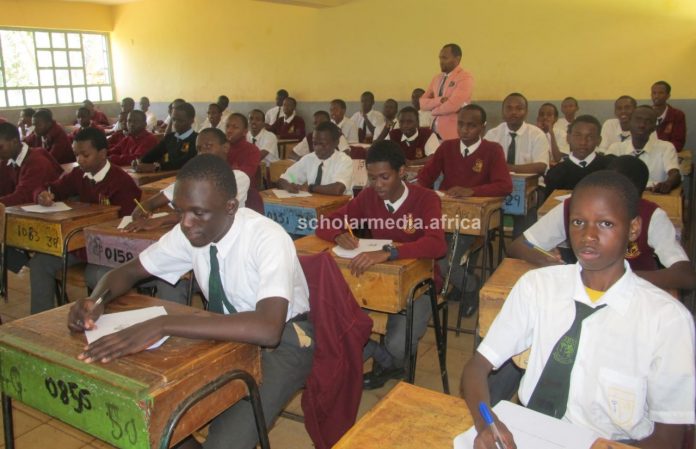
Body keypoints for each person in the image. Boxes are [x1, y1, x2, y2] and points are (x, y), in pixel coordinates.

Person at [68, 154, 313, 449]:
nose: (185, 222)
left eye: (198, 212)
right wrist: (97, 300)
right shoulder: (191, 232)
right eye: (180, 210)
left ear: (231, 207)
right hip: (222, 333)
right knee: (157, 414)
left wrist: (163, 324)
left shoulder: (267, 238)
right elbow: (129, 271)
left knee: (224, 441)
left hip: (284, 342)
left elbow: (268, 329)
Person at [462, 170, 694, 449]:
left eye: (606, 224)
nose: (588, 236)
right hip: (532, 431)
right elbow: (477, 367)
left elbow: (670, 438)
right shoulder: (538, 286)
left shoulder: (666, 319)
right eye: (578, 222)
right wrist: (486, 423)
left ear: (633, 229)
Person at [315, 140, 446, 389]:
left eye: (384, 177)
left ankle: (387, 359)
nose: (377, 185)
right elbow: (326, 223)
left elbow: (437, 244)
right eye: (372, 178)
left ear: (402, 172)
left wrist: (391, 252)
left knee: (399, 344)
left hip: (420, 283)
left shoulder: (426, 199)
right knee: (341, 323)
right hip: (378, 279)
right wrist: (336, 234)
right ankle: (381, 357)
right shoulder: (368, 197)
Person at [509, 155, 696, 291]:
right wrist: (546, 260)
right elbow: (519, 245)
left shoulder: (653, 216)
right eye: (578, 222)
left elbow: (686, 276)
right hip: (583, 290)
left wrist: (616, 278)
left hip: (637, 295)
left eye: (606, 223)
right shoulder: (574, 207)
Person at [29, 127, 141, 314]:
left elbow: (126, 228)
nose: (79, 160)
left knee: (95, 274)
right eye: (76, 155)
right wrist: (42, 194)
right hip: (78, 245)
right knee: (40, 263)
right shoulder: (78, 174)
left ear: (103, 154)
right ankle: (39, 320)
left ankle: (104, 324)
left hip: (108, 250)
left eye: (85, 155)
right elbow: (52, 188)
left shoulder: (121, 182)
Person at [418, 105, 512, 315]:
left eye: (472, 125)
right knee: (422, 250)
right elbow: (425, 177)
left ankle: (470, 286)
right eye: (461, 124)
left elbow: (505, 185)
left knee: (444, 262)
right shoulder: (447, 148)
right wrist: (419, 195)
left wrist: (472, 191)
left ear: (483, 127)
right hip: (443, 215)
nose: (465, 129)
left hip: (472, 220)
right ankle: (455, 283)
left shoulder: (492, 150)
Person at [485, 92, 549, 237]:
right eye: (509, 108)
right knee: (482, 216)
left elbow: (541, 166)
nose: (513, 112)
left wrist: (508, 168)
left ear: (526, 112)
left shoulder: (537, 135)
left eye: (519, 108)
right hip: (498, 188)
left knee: (525, 224)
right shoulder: (492, 134)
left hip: (529, 188)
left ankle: (519, 252)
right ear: (503, 112)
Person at [605, 106, 680, 193]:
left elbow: (674, 174)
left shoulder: (666, 147)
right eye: (638, 120)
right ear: (629, 123)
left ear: (654, 128)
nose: (642, 125)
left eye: (648, 121)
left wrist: (668, 183)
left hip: (654, 196)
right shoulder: (616, 148)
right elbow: (607, 176)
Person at [544, 115, 612, 196]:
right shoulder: (556, 173)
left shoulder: (609, 168)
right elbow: (549, 206)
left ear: (599, 140)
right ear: (568, 138)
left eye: (590, 137)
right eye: (577, 136)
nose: (583, 142)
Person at [278, 121, 352, 196]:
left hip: (340, 205)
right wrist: (289, 184)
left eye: (322, 144)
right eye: (314, 143)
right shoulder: (309, 159)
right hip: (314, 204)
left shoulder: (344, 161)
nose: (317, 148)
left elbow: (337, 189)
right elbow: (287, 177)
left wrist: (311, 188)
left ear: (336, 143)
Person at [0, 122, 63, 206]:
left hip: (47, 214)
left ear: (14, 142)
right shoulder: (6, 161)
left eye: (0, 147)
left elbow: (24, 197)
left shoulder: (37, 162)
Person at [420, 43, 474, 140]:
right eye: (440, 58)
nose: (441, 61)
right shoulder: (437, 78)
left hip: (453, 134)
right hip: (433, 133)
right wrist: (439, 101)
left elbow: (453, 105)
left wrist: (433, 111)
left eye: (445, 58)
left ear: (457, 59)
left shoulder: (465, 77)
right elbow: (422, 103)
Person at [136, 102, 198, 172]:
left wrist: (158, 167)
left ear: (192, 120)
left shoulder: (196, 139)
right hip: (167, 175)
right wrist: (140, 161)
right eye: (174, 119)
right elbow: (154, 153)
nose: (175, 124)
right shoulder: (170, 137)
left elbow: (184, 162)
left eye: (180, 121)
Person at [225, 113, 264, 214]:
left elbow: (243, 176)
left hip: (246, 196)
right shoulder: (221, 147)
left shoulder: (252, 150)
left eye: (235, 127)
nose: (229, 130)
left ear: (245, 132)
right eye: (227, 126)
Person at [651, 80, 686, 151]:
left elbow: (678, 144)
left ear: (668, 96)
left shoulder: (677, 115)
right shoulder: (645, 114)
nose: (656, 96)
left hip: (669, 153)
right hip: (648, 153)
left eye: (661, 93)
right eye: (654, 93)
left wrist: (659, 150)